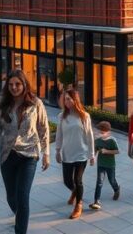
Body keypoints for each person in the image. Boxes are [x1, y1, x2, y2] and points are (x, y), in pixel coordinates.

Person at [0, 70, 50, 234]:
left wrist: (46, 153)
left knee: (23, 197)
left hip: (29, 155)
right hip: (8, 155)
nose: (14, 87)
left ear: (24, 85)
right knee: (11, 197)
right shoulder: (1, 105)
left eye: (18, 84)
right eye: (11, 84)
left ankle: (20, 229)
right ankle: (20, 216)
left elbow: (43, 128)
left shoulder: (35, 103)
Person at [55, 87, 95, 220]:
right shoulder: (61, 116)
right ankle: (75, 192)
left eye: (68, 99)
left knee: (78, 180)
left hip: (81, 153)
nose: (66, 101)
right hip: (67, 153)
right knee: (67, 181)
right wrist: (57, 150)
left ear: (75, 100)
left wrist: (92, 155)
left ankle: (79, 204)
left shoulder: (84, 116)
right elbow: (59, 135)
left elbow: (90, 136)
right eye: (65, 99)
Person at [90, 121, 121, 210]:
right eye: (99, 131)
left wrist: (107, 151)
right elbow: (95, 150)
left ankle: (116, 189)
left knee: (112, 180)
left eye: (102, 132)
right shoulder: (97, 140)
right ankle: (96, 201)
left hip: (110, 165)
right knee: (99, 182)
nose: (100, 133)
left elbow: (117, 151)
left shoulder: (112, 140)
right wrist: (93, 158)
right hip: (101, 164)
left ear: (108, 132)